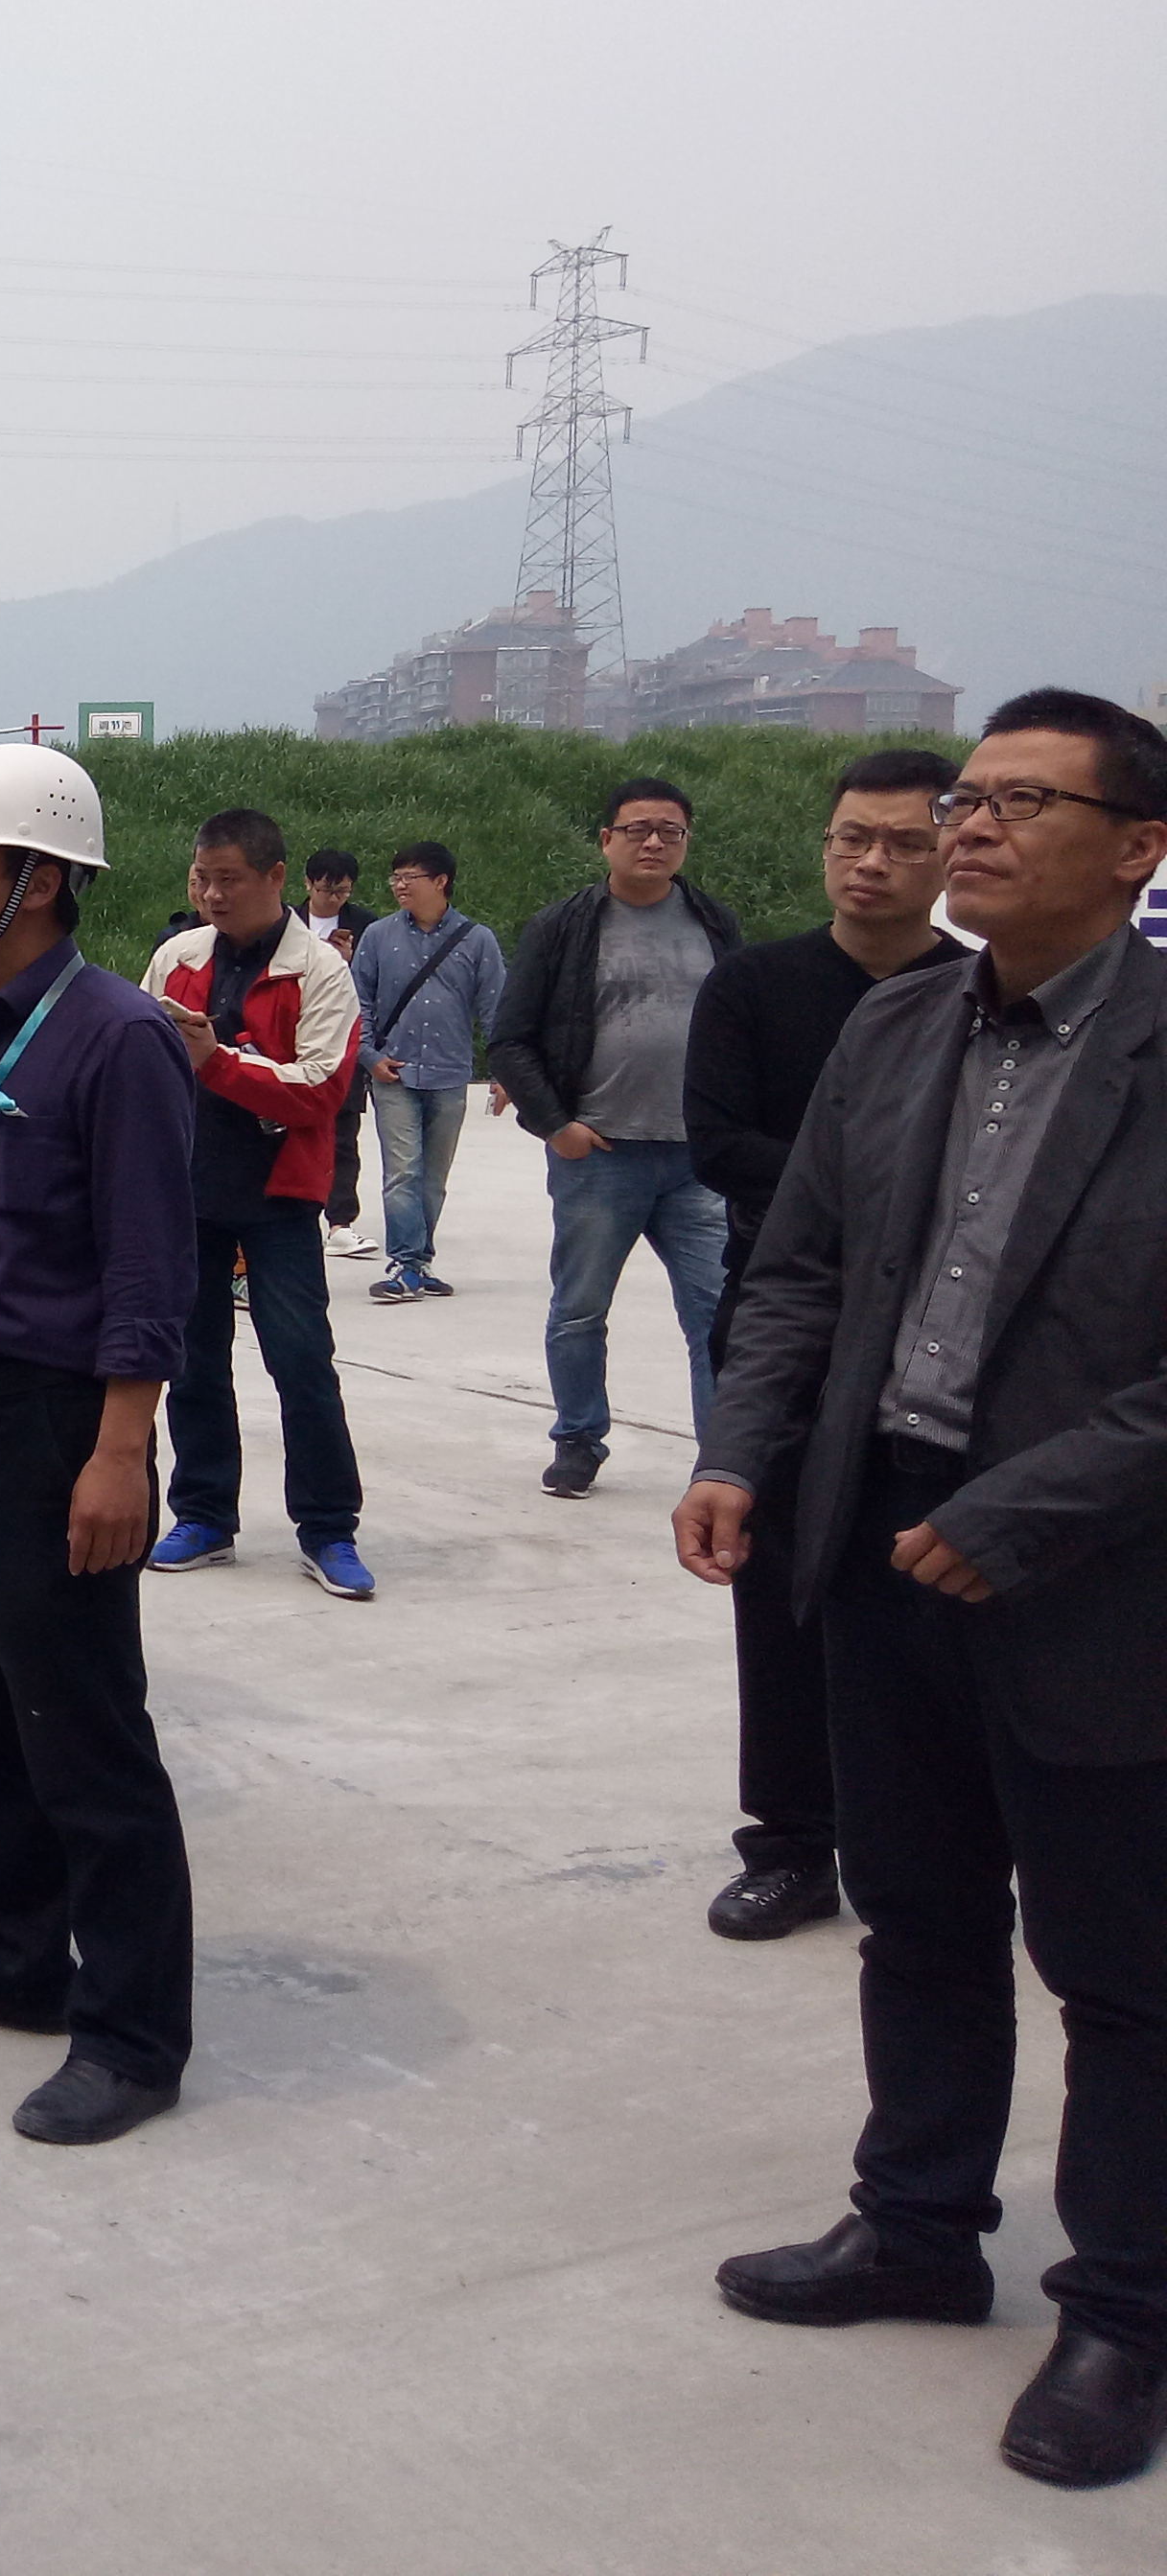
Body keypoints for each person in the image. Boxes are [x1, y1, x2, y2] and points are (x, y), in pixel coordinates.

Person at [675, 690, 1167, 2494]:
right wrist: (742, 1450)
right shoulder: (894, 1030)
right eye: (970, 795)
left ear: (1137, 848)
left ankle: (1124, 2313)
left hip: (1094, 1576)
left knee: (1121, 1969)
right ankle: (916, 2226)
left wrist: (1025, 1512)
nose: (972, 827)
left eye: (1025, 804)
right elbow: (798, 1272)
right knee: (918, 1915)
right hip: (876, 1549)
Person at [0, 742, 198, 2147]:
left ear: (42, 880)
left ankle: (130, 2033)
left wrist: (119, 1452)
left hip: (52, 1425)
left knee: (85, 1734)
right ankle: (15, 1953)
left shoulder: (114, 1038)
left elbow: (149, 1268)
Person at [680, 747, 964, 1943]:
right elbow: (715, 1144)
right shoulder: (752, 986)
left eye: (902, 842)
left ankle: (942, 1840)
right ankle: (791, 1844)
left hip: (943, 1334)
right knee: (779, 1585)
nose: (871, 862)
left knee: (934, 1591)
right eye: (852, 838)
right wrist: (867, 1199)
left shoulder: (979, 995)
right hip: (787, 1320)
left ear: (948, 856)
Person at [141, 810, 376, 1601]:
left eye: (229, 880)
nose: (212, 895)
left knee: (302, 1362)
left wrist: (217, 1062)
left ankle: (329, 1527)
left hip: (279, 1200)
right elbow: (142, 1061)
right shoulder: (176, 958)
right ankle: (204, 1515)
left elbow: (322, 1089)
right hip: (188, 1191)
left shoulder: (320, 970)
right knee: (192, 1361)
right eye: (202, 879)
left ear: (276, 878)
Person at [488, 775, 741, 1498]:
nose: (654, 842)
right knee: (580, 1310)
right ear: (607, 840)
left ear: (686, 841)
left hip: (696, 1160)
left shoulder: (714, 922)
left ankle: (724, 1462)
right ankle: (578, 1440)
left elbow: (743, 1029)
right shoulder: (564, 927)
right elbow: (510, 1039)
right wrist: (556, 1125)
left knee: (718, 1315)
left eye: (670, 831)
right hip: (600, 1156)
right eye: (637, 830)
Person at [351, 841, 508, 1305]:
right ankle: (404, 1263)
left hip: (449, 1073)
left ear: (441, 882)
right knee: (402, 1172)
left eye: (410, 877)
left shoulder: (477, 940)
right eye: (395, 877)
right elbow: (357, 1001)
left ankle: (419, 1263)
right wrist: (369, 1055)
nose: (400, 885)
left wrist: (505, 1070)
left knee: (433, 1177)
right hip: (393, 1074)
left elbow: (496, 1010)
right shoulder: (378, 936)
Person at [300, 849, 377, 1256]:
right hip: (295, 1042)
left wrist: (348, 962)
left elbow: (373, 984)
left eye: (342, 892)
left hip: (343, 1041)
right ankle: (297, 1215)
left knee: (344, 1137)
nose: (333, 899)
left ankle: (341, 1221)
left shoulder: (367, 927)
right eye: (326, 890)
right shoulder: (285, 923)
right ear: (308, 884)